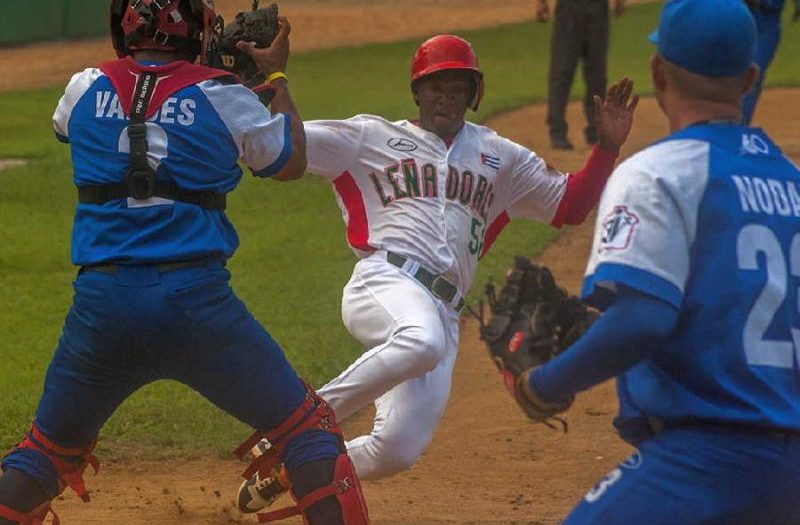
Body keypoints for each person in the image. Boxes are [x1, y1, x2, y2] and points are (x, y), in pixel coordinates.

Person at [0, 1, 370, 524]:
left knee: (44, 453)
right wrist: (272, 76)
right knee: (308, 435)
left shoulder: (82, 86)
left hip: (102, 310)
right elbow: (289, 163)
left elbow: (71, 127)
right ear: (195, 30)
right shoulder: (224, 95)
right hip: (195, 308)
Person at [236, 33, 639, 512]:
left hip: (445, 312)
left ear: (473, 94)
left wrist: (607, 149)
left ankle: (289, 472)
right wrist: (273, 81)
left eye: (456, 87)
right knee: (418, 339)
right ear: (417, 92)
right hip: (383, 281)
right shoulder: (371, 137)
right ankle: (296, 424)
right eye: (434, 87)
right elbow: (286, 144)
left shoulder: (501, 158)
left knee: (397, 449)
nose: (444, 96)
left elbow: (569, 205)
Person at [514, 0, 800, 523]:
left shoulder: (657, 173)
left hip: (707, 462)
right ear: (750, 77)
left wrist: (544, 385)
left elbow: (643, 320)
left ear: (657, 72)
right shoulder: (791, 181)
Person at [535, 0, 625, 150]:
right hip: (569, 8)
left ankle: (596, 129)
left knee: (597, 73)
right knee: (562, 72)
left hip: (598, 8)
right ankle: (557, 131)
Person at [741, 0, 800, 124]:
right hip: (743, 15)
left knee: (755, 73)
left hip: (769, 20)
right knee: (731, 72)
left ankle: (740, 125)